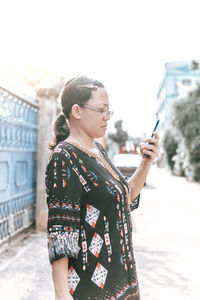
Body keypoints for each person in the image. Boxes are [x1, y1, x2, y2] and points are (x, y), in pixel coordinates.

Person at [45, 75, 159, 300]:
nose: (107, 117)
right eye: (101, 110)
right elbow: (60, 234)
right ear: (77, 111)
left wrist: (146, 162)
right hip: (92, 290)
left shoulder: (98, 151)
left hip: (123, 284)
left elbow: (124, 199)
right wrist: (61, 294)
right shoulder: (64, 157)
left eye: (109, 110)